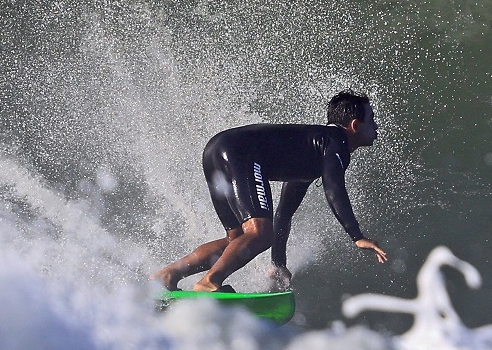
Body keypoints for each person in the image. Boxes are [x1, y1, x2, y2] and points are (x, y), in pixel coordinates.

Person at [153, 91, 389, 292]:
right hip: (239, 152)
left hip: (217, 149)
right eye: (372, 119)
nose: (376, 126)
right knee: (259, 233)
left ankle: (169, 275)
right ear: (355, 125)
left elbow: (283, 215)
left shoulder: (312, 150)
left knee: (236, 239)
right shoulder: (335, 141)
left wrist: (279, 263)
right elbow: (334, 188)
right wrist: (357, 236)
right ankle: (209, 283)